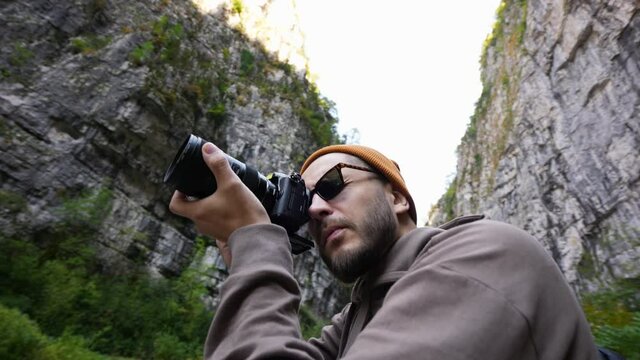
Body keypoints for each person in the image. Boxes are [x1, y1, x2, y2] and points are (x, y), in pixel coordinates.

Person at [169, 142, 600, 360]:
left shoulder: (485, 254)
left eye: (334, 185)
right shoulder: (357, 317)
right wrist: (244, 254)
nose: (317, 209)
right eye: (305, 202)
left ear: (396, 198)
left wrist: (257, 246)